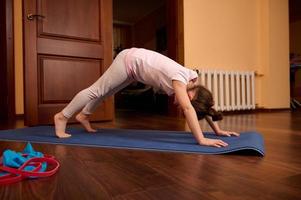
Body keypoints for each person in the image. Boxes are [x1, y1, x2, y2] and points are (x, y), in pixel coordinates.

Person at [54, 48, 239, 147]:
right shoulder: (180, 81)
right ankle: (63, 116)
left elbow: (201, 104)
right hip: (128, 60)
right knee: (97, 90)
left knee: (107, 92)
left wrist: (217, 130)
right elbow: (189, 107)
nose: (179, 106)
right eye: (182, 104)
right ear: (190, 95)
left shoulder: (193, 85)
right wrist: (201, 140)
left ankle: (84, 115)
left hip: (134, 70)